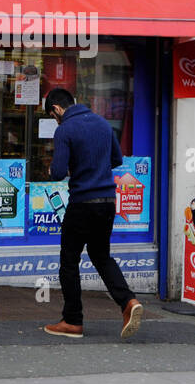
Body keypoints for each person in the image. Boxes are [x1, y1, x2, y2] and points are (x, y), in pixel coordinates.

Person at [41, 88, 143, 340]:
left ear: (56, 109)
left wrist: (54, 166)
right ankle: (128, 301)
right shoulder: (101, 123)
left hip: (83, 202)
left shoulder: (64, 129)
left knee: (69, 261)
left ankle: (72, 321)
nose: (56, 120)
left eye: (53, 116)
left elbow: (57, 173)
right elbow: (117, 159)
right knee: (101, 256)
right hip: (108, 201)